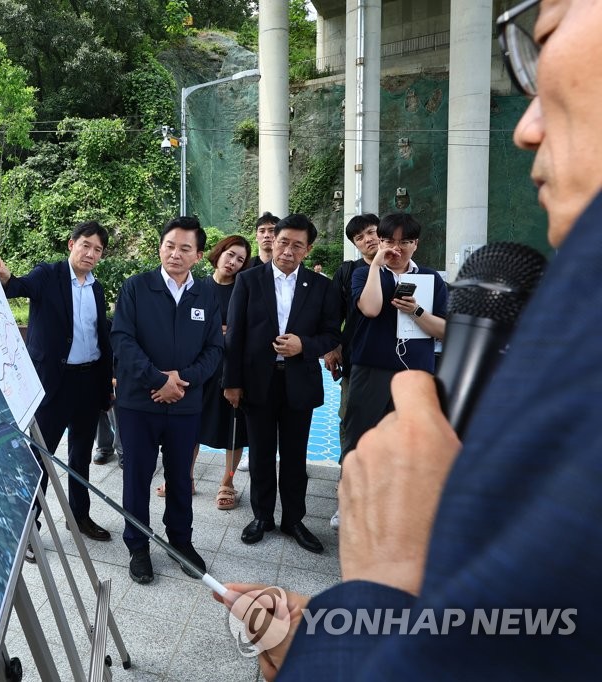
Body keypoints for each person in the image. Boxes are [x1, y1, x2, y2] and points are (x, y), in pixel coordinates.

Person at [220, 0, 602, 677]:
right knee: (291, 459)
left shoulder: (560, 346)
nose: (526, 124)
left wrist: (388, 587)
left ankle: (308, 520)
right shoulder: (273, 279)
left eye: (541, 33)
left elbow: (493, 639)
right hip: (341, 379)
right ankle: (266, 515)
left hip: (339, 380)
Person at [0, 221, 114, 559]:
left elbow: (101, 338)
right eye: (85, 245)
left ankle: (80, 515)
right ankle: (29, 529)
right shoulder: (49, 275)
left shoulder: (96, 288)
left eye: (97, 250)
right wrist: (4, 277)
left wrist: (106, 387)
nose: (90, 253)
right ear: (71, 244)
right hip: (52, 385)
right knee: (39, 458)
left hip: (88, 382)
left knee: (80, 457)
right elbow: (19, 286)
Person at [111, 216, 223, 584]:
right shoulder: (136, 287)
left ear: (199, 255)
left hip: (185, 404)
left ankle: (180, 542)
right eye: (169, 245)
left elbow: (214, 348)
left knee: (180, 477)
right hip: (139, 404)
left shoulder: (205, 294)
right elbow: (123, 341)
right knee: (137, 476)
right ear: (160, 247)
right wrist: (159, 380)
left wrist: (182, 381)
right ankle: (138, 546)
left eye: (185, 248)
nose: (175, 254)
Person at [223, 214, 340, 554]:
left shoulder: (321, 287)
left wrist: (304, 346)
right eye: (283, 241)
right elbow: (236, 335)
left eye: (297, 245)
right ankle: (262, 517)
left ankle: (293, 519)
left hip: (298, 382)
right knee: (260, 454)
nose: (288, 250)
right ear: (273, 241)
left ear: (308, 250)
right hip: (257, 382)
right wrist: (231, 383)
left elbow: (332, 333)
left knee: (293, 456)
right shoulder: (249, 280)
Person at [339, 213, 447, 463]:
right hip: (371, 368)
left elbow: (442, 330)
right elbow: (370, 309)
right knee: (360, 439)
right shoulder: (364, 274)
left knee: (406, 445)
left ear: (416, 244)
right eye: (389, 241)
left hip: (416, 371)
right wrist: (376, 266)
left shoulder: (431, 279)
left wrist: (416, 311)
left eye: (405, 242)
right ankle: (352, 500)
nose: (396, 248)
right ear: (381, 241)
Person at [155, 235, 252, 508]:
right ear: (218, 253)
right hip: (198, 370)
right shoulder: (196, 287)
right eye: (230, 254)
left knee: (234, 428)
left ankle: (228, 482)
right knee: (191, 427)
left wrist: (226, 333)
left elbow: (251, 330)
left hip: (233, 370)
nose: (232, 262)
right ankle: (185, 478)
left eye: (240, 259)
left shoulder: (245, 289)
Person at [323, 213, 380, 530]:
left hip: (397, 367)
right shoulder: (349, 272)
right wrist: (332, 347)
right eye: (360, 237)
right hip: (357, 363)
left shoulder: (403, 270)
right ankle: (346, 497)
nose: (368, 239)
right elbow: (332, 314)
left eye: (372, 232)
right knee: (351, 427)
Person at [239, 212, 281, 474]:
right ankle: (250, 451)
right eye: (263, 230)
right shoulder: (246, 270)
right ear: (256, 235)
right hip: (252, 358)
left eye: (272, 230)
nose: (267, 235)